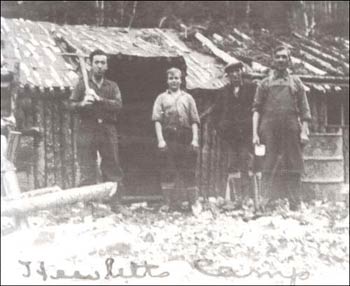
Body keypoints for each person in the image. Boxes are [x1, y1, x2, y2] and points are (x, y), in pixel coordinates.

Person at [252, 45, 311, 212]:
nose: (280, 60)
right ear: (273, 59)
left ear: (289, 60)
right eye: (277, 56)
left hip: (291, 127)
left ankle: (295, 203)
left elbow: (305, 110)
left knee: (294, 164)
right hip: (268, 128)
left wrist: (304, 131)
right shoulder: (264, 83)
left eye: (284, 57)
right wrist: (255, 133)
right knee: (266, 164)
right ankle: (265, 203)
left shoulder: (296, 82)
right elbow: (256, 109)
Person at [69, 49, 124, 202]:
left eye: (103, 62)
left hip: (107, 129)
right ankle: (89, 205)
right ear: (90, 65)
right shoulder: (82, 85)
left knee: (112, 166)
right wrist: (82, 103)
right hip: (87, 128)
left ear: (107, 66)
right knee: (87, 167)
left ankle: (115, 203)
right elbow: (70, 105)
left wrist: (99, 99)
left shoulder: (112, 86)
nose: (99, 66)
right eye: (96, 62)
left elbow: (118, 105)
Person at [152, 67, 202, 214]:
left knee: (189, 170)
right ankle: (167, 203)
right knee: (168, 169)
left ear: (181, 80)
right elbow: (157, 121)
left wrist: (195, 139)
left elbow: (194, 120)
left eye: (176, 78)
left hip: (185, 137)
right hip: (169, 137)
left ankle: (193, 202)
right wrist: (161, 140)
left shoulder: (188, 98)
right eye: (171, 78)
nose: (174, 81)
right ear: (167, 80)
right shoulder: (161, 98)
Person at [218, 61, 256, 207]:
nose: (234, 75)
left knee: (246, 164)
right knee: (233, 165)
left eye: (237, 71)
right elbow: (217, 113)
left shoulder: (252, 88)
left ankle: (247, 196)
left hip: (246, 135)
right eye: (231, 73)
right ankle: (236, 197)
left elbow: (257, 110)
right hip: (231, 137)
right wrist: (222, 129)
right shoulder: (224, 92)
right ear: (228, 76)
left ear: (241, 72)